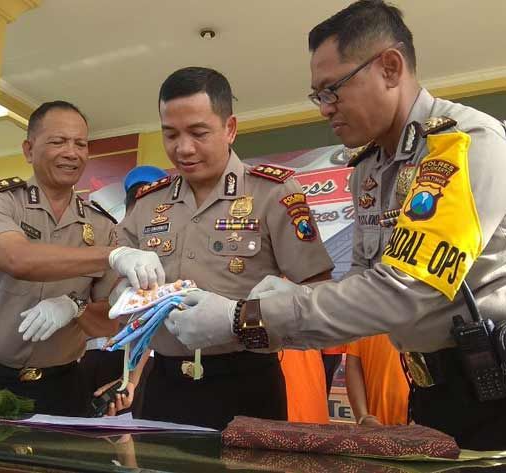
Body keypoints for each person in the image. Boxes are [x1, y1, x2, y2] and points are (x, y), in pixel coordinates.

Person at [166, 0, 506, 449]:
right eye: (317, 95)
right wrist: (298, 299)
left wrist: (240, 318)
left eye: (333, 90)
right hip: (429, 388)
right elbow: (367, 282)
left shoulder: (461, 143)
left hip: (491, 387)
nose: (324, 108)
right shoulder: (370, 167)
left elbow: (405, 290)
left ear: (389, 67)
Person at [116, 67, 334, 429]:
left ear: (229, 128)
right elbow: (114, 277)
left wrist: (237, 319)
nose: (183, 148)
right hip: (162, 385)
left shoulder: (273, 194)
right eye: (170, 134)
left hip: (245, 384)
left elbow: (318, 292)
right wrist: (122, 291)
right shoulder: (147, 203)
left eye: (198, 133)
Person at [0, 101, 164, 416]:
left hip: (61, 385)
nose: (71, 152)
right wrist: (112, 255)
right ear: (28, 149)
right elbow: (17, 258)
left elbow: (111, 318)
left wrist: (74, 307)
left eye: (80, 144)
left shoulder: (101, 225)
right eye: (58, 141)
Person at [80, 165, 167, 417]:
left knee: (122, 441)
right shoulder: (107, 238)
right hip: (93, 357)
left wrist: (130, 378)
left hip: (132, 360)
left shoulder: (159, 248)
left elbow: (151, 318)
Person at [346, 334, 409, 426]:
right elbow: (354, 364)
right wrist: (363, 417)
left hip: (421, 421)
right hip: (374, 423)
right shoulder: (363, 322)